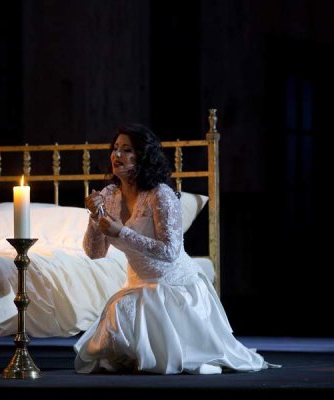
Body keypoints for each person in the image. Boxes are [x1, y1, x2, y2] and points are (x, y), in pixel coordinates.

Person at [74, 123, 278, 374]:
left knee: (142, 340)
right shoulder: (109, 195)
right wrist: (95, 216)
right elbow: (95, 253)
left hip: (173, 286)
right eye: (115, 148)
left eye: (127, 150)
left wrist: (122, 232)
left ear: (143, 156)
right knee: (118, 323)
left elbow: (170, 252)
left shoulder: (160, 194)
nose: (117, 155)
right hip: (137, 285)